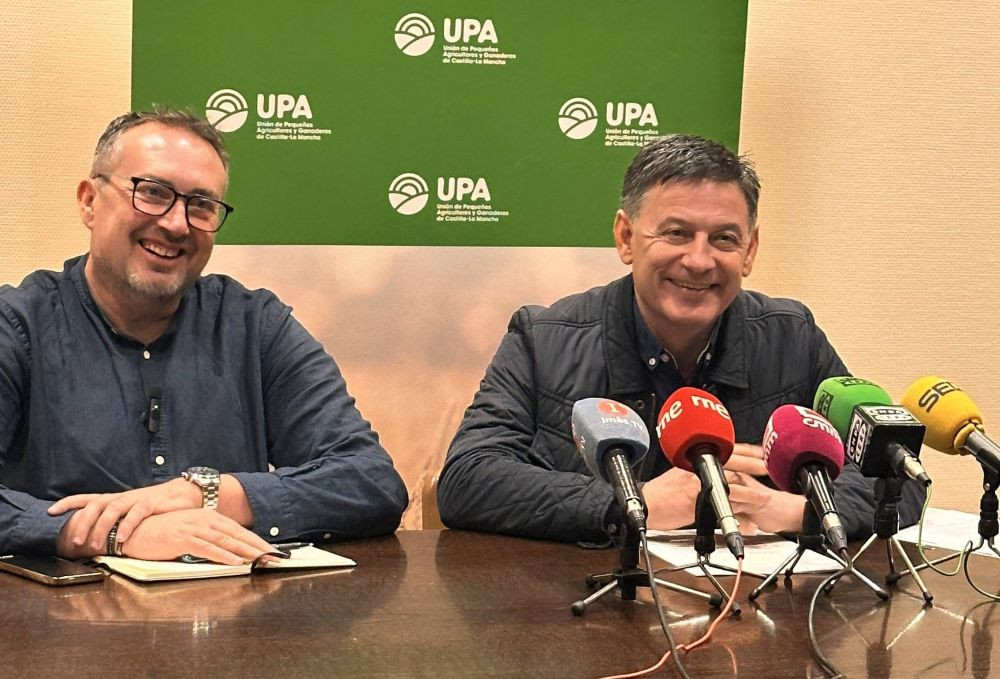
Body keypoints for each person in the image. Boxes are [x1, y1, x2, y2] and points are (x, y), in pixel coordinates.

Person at [437, 133, 924, 544]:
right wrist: (633, 502)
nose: (698, 260)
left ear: (750, 250)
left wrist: (797, 510)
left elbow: (899, 476)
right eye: (676, 233)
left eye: (724, 239)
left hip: (755, 614)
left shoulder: (792, 339)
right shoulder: (543, 341)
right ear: (626, 238)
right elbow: (466, 479)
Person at [0, 109, 407, 562]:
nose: (177, 224)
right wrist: (110, 533)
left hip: (237, 606)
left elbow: (371, 481)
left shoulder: (255, 327)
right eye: (152, 193)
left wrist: (207, 494)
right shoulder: (17, 326)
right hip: (67, 607)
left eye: (201, 205)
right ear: (89, 202)